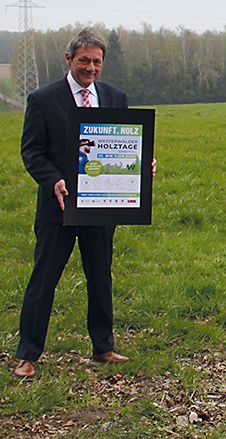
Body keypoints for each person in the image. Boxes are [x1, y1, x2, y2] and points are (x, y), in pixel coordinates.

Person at [13, 28, 139, 378]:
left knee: (100, 277)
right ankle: (27, 355)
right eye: (84, 60)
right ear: (69, 59)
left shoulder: (115, 97)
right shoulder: (43, 99)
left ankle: (104, 347)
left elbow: (125, 145)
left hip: (101, 207)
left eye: (97, 62)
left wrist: (143, 165)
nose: (91, 68)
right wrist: (53, 180)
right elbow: (32, 152)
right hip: (59, 207)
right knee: (44, 279)